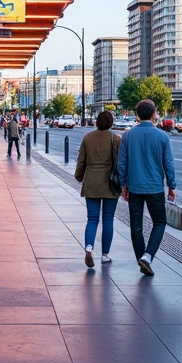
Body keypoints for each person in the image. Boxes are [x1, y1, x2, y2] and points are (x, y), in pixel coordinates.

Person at [118, 99, 176, 276]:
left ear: (137, 115)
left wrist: (123, 184)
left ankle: (141, 258)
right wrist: (172, 186)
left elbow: (122, 163)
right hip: (155, 187)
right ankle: (148, 256)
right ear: (154, 114)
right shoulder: (162, 136)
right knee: (160, 221)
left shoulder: (128, 135)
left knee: (136, 225)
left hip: (135, 186)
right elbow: (169, 164)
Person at [75, 109, 121, 268]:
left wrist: (79, 176)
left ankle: (89, 248)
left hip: (92, 181)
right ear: (111, 123)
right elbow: (120, 163)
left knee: (92, 219)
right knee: (108, 219)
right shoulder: (116, 139)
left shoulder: (88, 138)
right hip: (110, 182)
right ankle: (105, 254)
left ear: (97, 122)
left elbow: (81, 160)